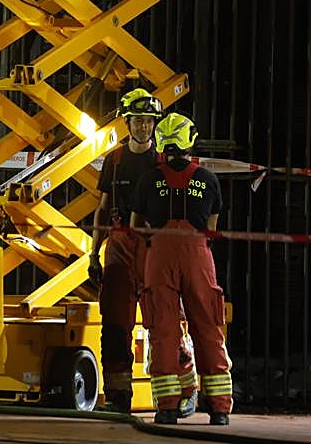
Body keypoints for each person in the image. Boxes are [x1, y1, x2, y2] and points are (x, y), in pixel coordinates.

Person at [87, 89, 196, 416]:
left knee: (165, 319)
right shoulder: (115, 161)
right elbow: (102, 209)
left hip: (155, 244)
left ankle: (185, 391)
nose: (145, 127)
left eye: (150, 121)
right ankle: (119, 396)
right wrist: (93, 254)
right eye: (139, 121)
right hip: (120, 244)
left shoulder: (163, 161)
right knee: (116, 323)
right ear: (127, 123)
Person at [130, 113, 233, 426]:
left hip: (159, 256)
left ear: (162, 142)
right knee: (208, 328)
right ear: (191, 141)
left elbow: (136, 226)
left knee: (163, 331)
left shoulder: (149, 179)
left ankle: (168, 409)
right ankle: (219, 410)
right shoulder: (208, 179)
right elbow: (212, 229)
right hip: (198, 256)